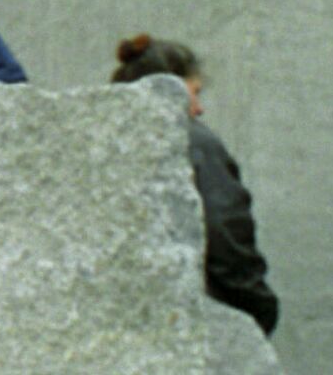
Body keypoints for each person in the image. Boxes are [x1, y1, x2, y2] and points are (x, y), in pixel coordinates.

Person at [111, 35, 279, 335]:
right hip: (199, 320)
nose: (200, 109)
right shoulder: (194, 143)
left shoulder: (108, 146)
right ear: (173, 89)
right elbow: (224, 230)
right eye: (195, 94)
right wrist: (259, 307)